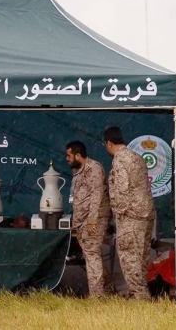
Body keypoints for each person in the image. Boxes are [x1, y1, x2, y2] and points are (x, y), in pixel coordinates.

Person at [103, 127, 155, 300]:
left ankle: (139, 297)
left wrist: (117, 213)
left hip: (130, 216)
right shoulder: (137, 157)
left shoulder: (120, 160)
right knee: (141, 257)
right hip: (145, 213)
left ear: (109, 143)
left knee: (129, 258)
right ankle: (141, 293)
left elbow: (122, 189)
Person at [65, 141, 111, 297]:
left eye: (69, 155)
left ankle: (97, 296)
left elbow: (97, 195)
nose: (67, 159)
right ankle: (107, 288)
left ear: (78, 155)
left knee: (92, 254)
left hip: (94, 219)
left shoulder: (94, 168)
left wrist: (92, 220)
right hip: (82, 220)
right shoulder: (78, 171)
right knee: (90, 255)